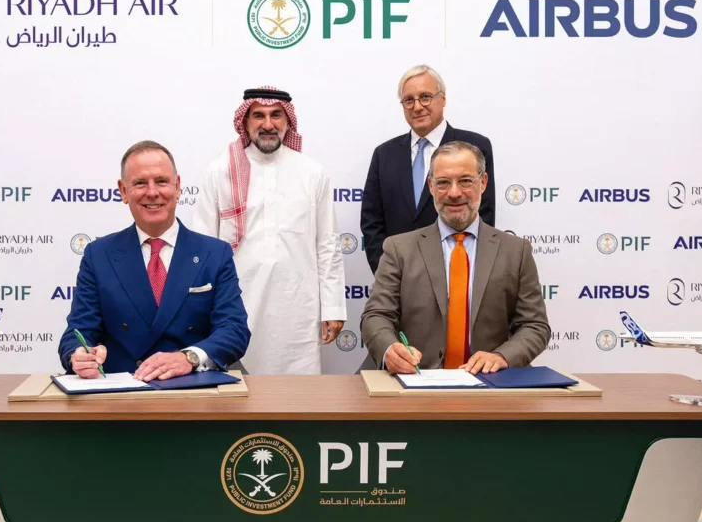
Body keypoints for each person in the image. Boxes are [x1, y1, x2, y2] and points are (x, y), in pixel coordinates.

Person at [58, 141, 250, 381]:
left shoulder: (215, 253)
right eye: (140, 183)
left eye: (161, 181)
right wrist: (79, 355)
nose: (152, 192)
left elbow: (234, 331)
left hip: (194, 395)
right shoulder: (98, 255)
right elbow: (78, 332)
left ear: (177, 186)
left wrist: (188, 358)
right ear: (123, 191)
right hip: (120, 396)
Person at [193, 86, 345, 375]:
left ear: (288, 121)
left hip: (297, 308)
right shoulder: (220, 172)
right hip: (234, 306)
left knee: (298, 399)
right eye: (258, 115)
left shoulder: (312, 172)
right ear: (245, 121)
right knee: (236, 399)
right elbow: (202, 247)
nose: (267, 124)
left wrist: (333, 308)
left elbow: (327, 244)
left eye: (276, 115)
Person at [361, 141, 548, 374]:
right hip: (414, 381)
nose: (454, 192)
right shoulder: (399, 248)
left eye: (466, 181)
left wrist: (501, 357)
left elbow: (535, 326)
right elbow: (376, 315)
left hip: (488, 384)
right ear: (430, 186)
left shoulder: (516, 251)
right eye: (443, 183)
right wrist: (389, 349)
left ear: (483, 183)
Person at [360, 65, 496, 274]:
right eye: (409, 100)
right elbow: (372, 222)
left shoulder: (474, 146)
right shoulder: (384, 154)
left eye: (425, 97)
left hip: (457, 274)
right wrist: (388, 274)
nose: (417, 106)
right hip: (399, 278)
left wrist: (464, 272)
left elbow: (483, 214)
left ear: (443, 99)